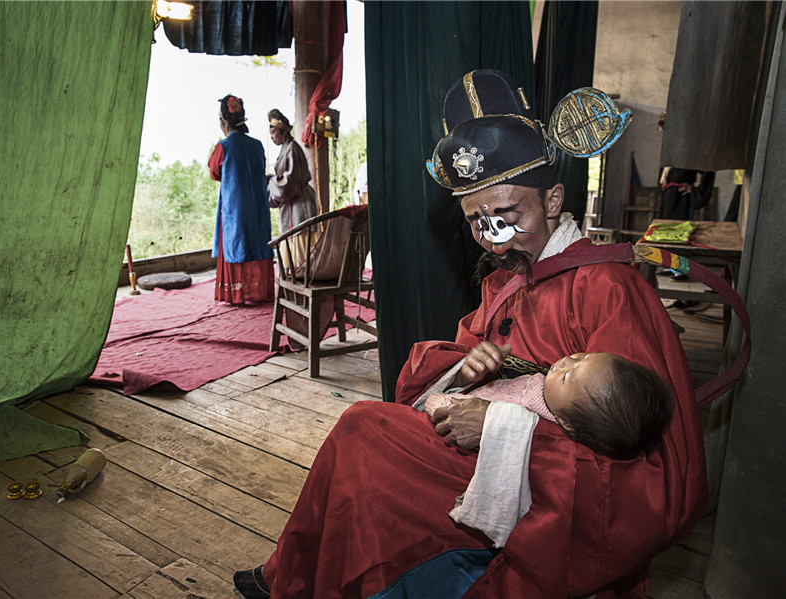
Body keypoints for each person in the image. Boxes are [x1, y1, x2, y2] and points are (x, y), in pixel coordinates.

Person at [233, 69, 706, 599]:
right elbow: (451, 361)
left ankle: (299, 580)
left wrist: (503, 429)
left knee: (364, 434)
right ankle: (297, 576)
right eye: (476, 220)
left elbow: (653, 469)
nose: (492, 233)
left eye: (506, 212)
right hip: (487, 455)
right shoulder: (506, 285)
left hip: (552, 487)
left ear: (552, 201)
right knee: (363, 437)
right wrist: (466, 368)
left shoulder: (607, 289)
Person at [423, 343, 674, 461]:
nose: (565, 361)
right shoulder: (561, 397)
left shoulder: (531, 410)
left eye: (566, 376)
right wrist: (467, 373)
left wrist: (439, 401)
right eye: (583, 355)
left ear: (566, 424)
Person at [207, 94, 275, 305]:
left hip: (235, 205)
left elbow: (214, 172)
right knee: (257, 241)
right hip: (257, 205)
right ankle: (259, 291)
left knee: (236, 242)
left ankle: (238, 293)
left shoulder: (223, 146)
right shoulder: (257, 146)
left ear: (224, 121)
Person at [267, 108, 319, 234]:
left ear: (283, 131)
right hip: (292, 206)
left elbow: (290, 183)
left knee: (301, 249)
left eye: (273, 132)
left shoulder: (292, 149)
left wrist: (270, 181)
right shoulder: (287, 149)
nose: (271, 137)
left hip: (300, 206)